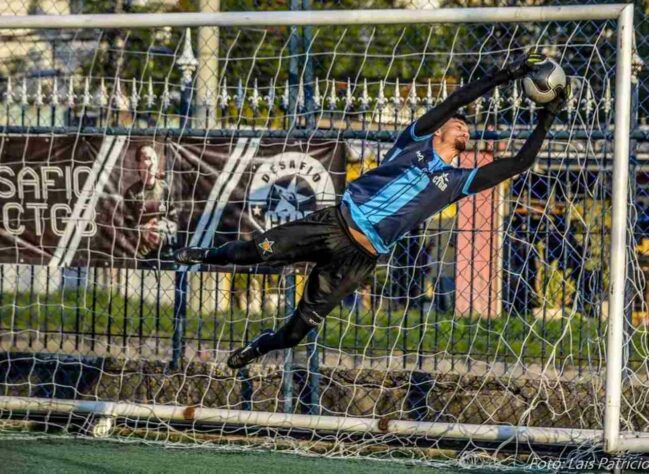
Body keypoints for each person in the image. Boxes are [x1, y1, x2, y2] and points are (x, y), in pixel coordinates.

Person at [174, 52, 568, 369]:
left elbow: (517, 163)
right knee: (254, 252)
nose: (465, 129)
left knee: (296, 332)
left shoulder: (456, 182)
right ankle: (201, 255)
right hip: (333, 224)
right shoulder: (411, 143)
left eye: (468, 129)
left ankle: (256, 351)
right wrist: (508, 74)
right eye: (459, 125)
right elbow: (457, 99)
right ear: (438, 130)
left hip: (360, 258)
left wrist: (547, 117)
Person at [124, 145, 178, 260]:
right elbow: (127, 228)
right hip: (141, 255)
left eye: (154, 158)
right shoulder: (131, 193)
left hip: (166, 253)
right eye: (148, 158)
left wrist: (163, 227)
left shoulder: (164, 188)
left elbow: (175, 221)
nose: (152, 162)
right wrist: (145, 230)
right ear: (139, 164)